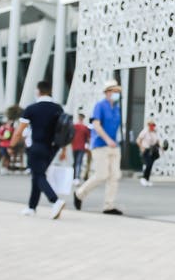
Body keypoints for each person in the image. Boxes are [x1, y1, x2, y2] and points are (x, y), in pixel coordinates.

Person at [10, 81, 67, 219]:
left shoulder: (32, 108)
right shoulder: (58, 108)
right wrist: (64, 150)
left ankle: (55, 200)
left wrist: (12, 146)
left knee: (39, 175)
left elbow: (19, 131)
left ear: (38, 91)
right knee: (37, 175)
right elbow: (63, 130)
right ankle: (31, 207)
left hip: (36, 146)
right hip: (52, 148)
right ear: (50, 90)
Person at [73, 80, 124, 215]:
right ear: (107, 92)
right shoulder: (100, 106)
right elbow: (96, 124)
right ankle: (79, 194)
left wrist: (115, 141)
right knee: (102, 175)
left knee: (115, 176)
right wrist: (107, 139)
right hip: (100, 145)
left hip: (114, 145)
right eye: (114, 91)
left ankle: (109, 205)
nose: (116, 94)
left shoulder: (117, 108)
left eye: (118, 91)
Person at [136, 118, 162, 186]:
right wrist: (141, 147)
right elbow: (138, 140)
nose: (152, 126)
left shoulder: (154, 132)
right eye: (150, 125)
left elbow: (157, 141)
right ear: (148, 125)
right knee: (149, 164)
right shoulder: (145, 132)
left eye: (153, 125)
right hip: (146, 150)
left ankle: (147, 179)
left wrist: (161, 147)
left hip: (152, 150)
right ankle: (143, 178)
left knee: (150, 165)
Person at [71, 112, 91, 183]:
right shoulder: (85, 128)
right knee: (78, 162)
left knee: (75, 162)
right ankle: (76, 178)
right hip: (81, 147)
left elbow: (71, 136)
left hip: (74, 147)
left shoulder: (74, 126)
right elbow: (88, 139)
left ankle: (74, 177)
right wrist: (88, 146)